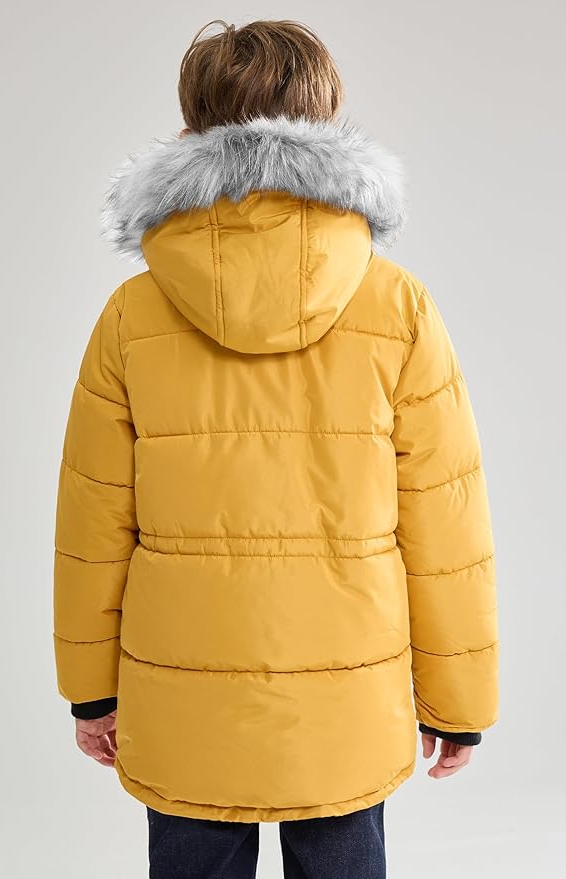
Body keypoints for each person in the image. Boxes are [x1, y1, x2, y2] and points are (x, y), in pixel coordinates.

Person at [53, 18, 500, 879]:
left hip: (182, 694)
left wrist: (92, 688)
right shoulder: (397, 305)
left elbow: (92, 522)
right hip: (346, 696)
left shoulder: (132, 315)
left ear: (194, 123)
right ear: (324, 118)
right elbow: (446, 524)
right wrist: (459, 700)